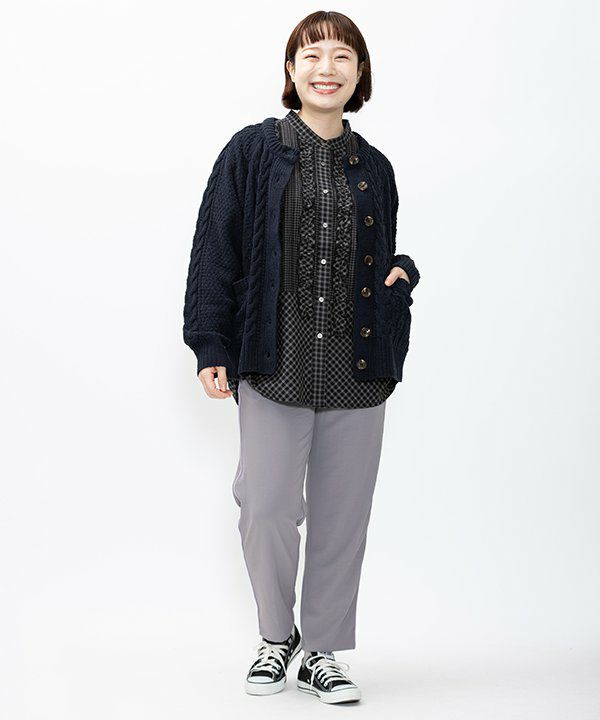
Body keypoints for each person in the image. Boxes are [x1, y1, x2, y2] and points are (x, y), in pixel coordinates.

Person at [183, 10, 421, 705]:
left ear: (359, 74)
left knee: (344, 518)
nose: (327, 67)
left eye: (343, 56)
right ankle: (274, 636)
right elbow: (216, 247)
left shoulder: (375, 167)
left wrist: (401, 276)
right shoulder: (252, 151)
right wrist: (210, 343)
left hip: (359, 369)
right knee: (265, 506)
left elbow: (381, 256)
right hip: (273, 361)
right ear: (291, 71)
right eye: (312, 54)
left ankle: (322, 651)